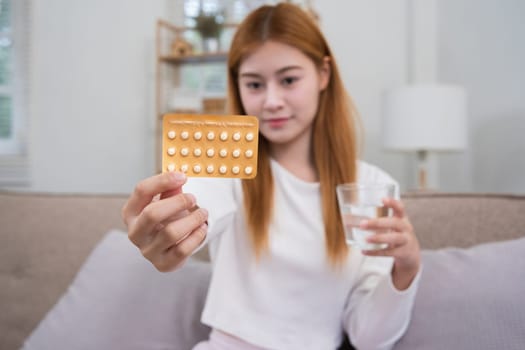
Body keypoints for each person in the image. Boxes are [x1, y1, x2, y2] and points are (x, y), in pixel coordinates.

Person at [121, 3, 421, 350]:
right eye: (254, 84)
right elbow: (201, 202)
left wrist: (407, 267)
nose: (272, 101)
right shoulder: (227, 170)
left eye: (289, 80)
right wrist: (166, 230)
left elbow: (370, 338)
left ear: (324, 74)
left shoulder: (369, 187)